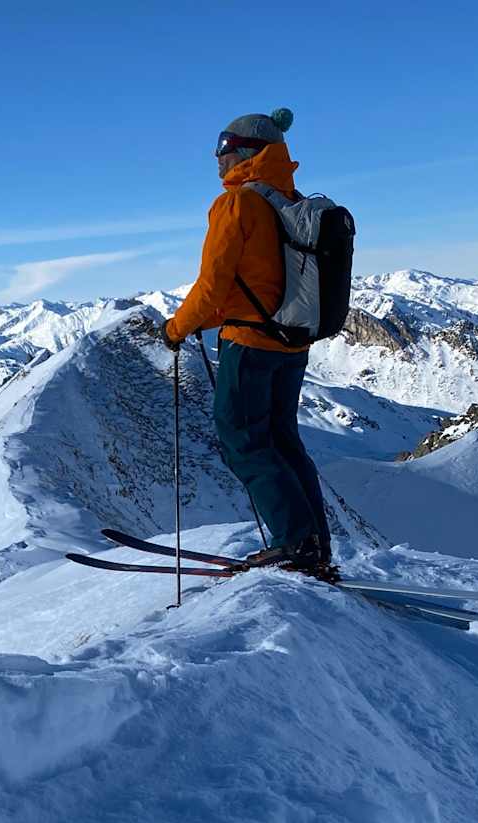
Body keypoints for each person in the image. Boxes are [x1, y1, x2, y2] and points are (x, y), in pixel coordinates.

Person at [163, 107, 332, 573]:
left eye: (223, 147)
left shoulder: (236, 204)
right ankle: (314, 542)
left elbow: (214, 286)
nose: (217, 158)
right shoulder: (289, 200)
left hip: (250, 345)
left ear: (246, 152)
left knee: (244, 441)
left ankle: (295, 544)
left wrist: (177, 328)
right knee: (284, 441)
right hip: (292, 342)